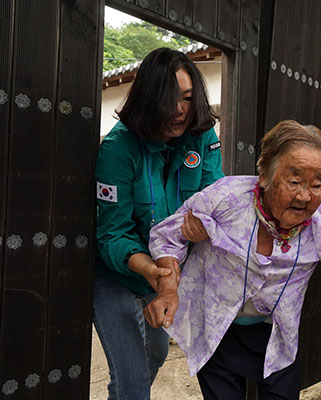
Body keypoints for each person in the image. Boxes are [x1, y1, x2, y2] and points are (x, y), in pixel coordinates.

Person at [144, 120, 321, 400]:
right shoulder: (225, 198)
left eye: (316, 184)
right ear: (264, 175)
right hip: (217, 330)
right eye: (295, 181)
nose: (305, 195)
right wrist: (168, 289)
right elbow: (166, 235)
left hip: (277, 337)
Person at [94, 47, 224, 399]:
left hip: (167, 274)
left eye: (187, 97)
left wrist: (206, 223)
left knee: (157, 353)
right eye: (170, 99)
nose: (181, 109)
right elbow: (112, 234)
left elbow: (215, 198)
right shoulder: (119, 148)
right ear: (150, 99)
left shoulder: (203, 136)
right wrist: (152, 271)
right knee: (134, 383)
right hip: (120, 274)